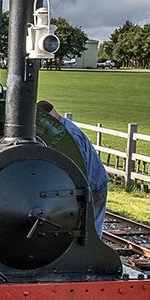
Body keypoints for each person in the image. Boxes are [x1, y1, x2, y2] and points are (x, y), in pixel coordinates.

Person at [38, 100, 109, 237]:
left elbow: (77, 165)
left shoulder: (69, 134)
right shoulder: (62, 128)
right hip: (93, 182)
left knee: (89, 230)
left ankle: (91, 254)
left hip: (93, 185)